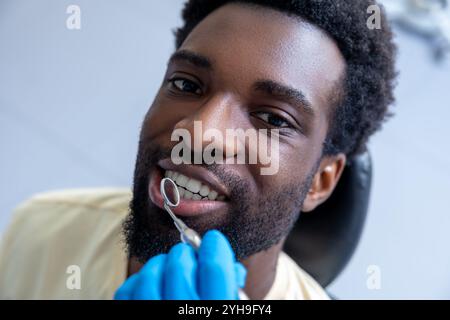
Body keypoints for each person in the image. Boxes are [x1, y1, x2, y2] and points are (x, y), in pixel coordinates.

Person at [0, 0, 396, 300]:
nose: (200, 133)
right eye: (187, 85)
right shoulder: (43, 228)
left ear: (321, 182)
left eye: (274, 119)